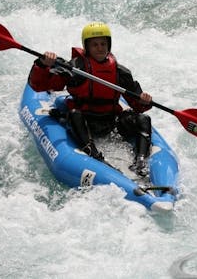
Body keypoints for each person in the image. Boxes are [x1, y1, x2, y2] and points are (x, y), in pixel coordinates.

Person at [28, 22, 153, 176]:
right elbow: (40, 85)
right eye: (95, 45)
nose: (100, 48)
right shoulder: (75, 69)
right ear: (86, 47)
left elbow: (137, 105)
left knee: (143, 119)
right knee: (74, 113)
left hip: (110, 120)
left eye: (103, 44)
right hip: (84, 121)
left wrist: (143, 101)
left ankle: (140, 161)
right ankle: (94, 154)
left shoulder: (120, 72)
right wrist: (42, 64)